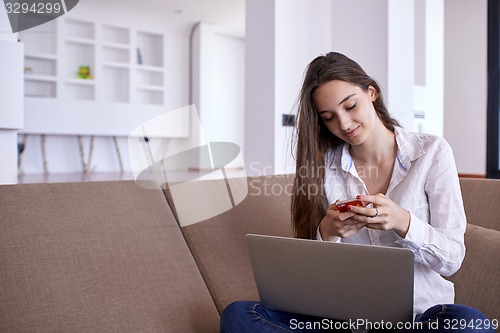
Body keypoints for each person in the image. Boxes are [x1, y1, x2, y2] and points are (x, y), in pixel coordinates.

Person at [220, 52, 495, 332]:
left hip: (419, 318)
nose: (344, 124)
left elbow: (451, 259)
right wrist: (327, 233)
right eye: (329, 117)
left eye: (350, 106)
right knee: (241, 315)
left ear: (371, 92)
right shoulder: (324, 166)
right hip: (342, 320)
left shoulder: (431, 153)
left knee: (469, 324)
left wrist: (403, 222)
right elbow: (309, 281)